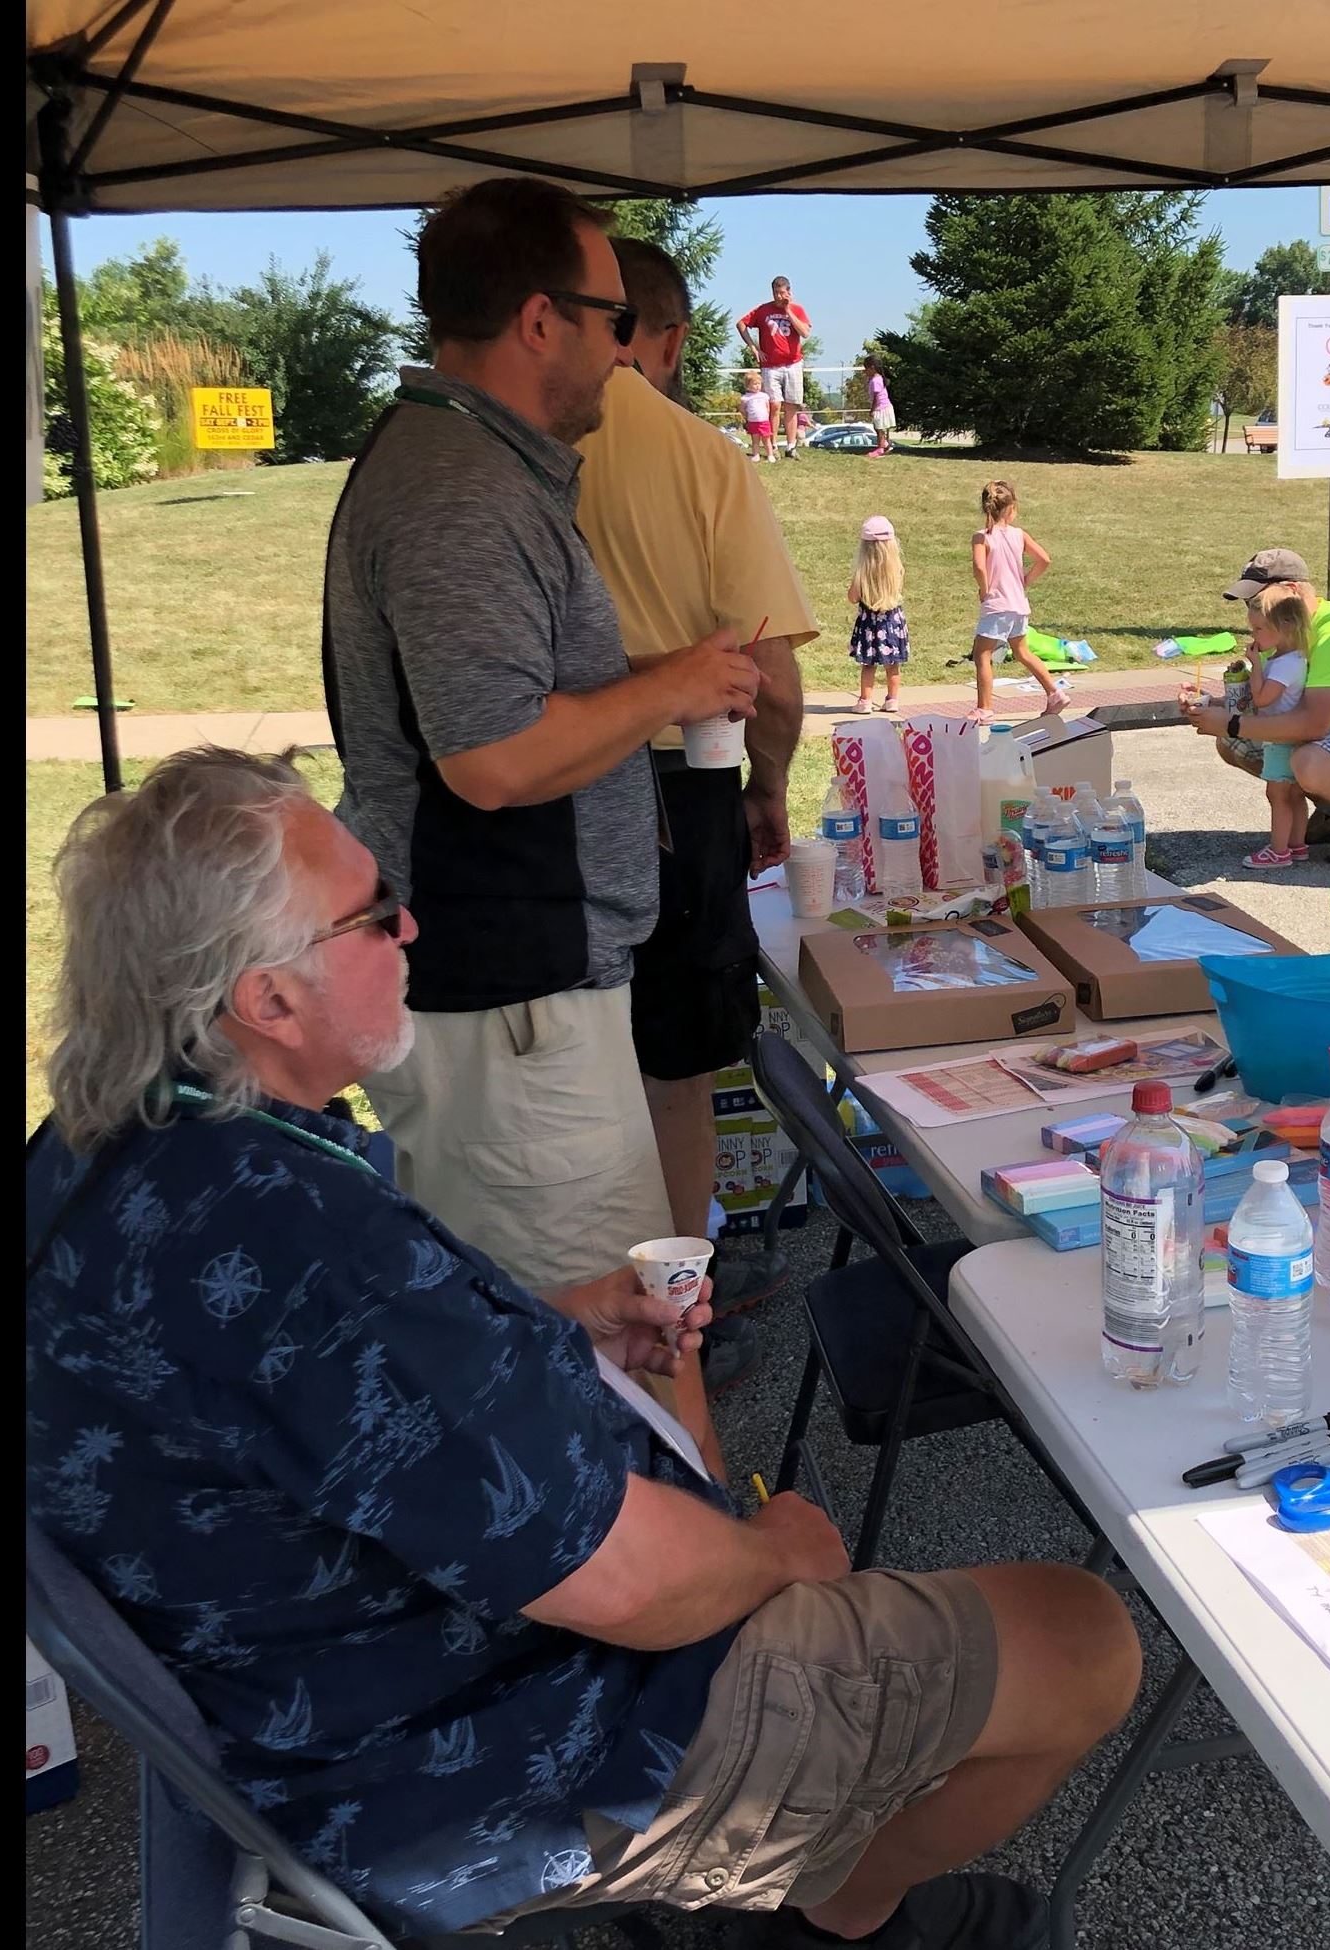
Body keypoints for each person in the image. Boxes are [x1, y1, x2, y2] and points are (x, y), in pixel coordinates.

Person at [27, 748, 1143, 1949]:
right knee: (1078, 1640)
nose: (410, 926)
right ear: (268, 1001)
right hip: (485, 1748)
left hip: (355, 1682)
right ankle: (839, 1917)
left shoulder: (118, 1146)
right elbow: (626, 1587)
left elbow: (313, 1398)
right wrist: (776, 1555)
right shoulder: (292, 1238)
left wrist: (546, 1324)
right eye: (371, 913)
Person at [322, 177, 763, 1312]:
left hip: (520, 990)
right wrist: (674, 684)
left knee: (577, 1320)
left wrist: (656, 680)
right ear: (537, 320)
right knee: (595, 1339)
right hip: (509, 999)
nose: (623, 352)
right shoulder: (460, 492)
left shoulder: (475, 466)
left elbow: (501, 701)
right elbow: (494, 758)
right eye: (614, 321)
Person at [576, 233, 816, 1357]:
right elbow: (769, 672)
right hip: (685, 780)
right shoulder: (697, 454)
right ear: (666, 338)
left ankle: (578, 1300)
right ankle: (675, 1314)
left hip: (538, 788)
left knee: (572, 1061)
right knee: (675, 1068)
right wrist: (770, 785)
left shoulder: (506, 446)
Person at [1178, 551, 1330, 856]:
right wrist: (1210, 705)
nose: (1252, 609)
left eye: (1258, 599)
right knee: (1233, 744)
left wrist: (1232, 723)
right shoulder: (1282, 632)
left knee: (1306, 762)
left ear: (1292, 591)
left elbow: (1313, 724)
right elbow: (1274, 700)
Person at [970, 480, 1064, 718]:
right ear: (1011, 508)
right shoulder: (1019, 535)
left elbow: (979, 567)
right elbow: (1044, 559)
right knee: (1022, 652)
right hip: (1018, 604)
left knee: (982, 654)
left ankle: (984, 708)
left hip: (997, 604)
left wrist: (984, 589)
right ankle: (1055, 692)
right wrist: (1025, 581)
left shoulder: (982, 537)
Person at [1238, 585, 1313, 869]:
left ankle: (1279, 851)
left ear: (1285, 626)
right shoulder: (1291, 658)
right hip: (1292, 737)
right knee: (1294, 794)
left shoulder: (1284, 665)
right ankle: (1297, 845)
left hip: (1280, 739)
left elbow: (1262, 698)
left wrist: (1255, 665)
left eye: (1259, 629)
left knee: (1277, 795)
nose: (1254, 635)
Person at [737, 275, 814, 457]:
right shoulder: (763, 310)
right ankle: (772, 446)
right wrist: (753, 347)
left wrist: (788, 310)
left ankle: (791, 446)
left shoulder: (797, 309)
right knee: (774, 405)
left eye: (782, 292)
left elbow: (805, 333)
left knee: (792, 405)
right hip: (770, 366)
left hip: (793, 363)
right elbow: (741, 324)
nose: (779, 296)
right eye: (776, 293)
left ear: (789, 291)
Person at [849, 514, 910, 712]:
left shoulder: (862, 573)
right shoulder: (896, 570)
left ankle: (865, 701)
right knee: (893, 664)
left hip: (869, 624)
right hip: (892, 622)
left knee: (868, 665)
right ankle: (892, 699)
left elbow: (852, 597)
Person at [865, 354, 898, 458]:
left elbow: (876, 397)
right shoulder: (876, 379)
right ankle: (885, 444)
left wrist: (872, 409)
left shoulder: (876, 380)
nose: (865, 371)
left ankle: (880, 448)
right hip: (881, 407)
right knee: (877, 428)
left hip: (881, 408)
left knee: (879, 429)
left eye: (866, 369)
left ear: (872, 368)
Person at [741, 367, 776, 460]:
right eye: (754, 384)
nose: (757, 386)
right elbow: (742, 409)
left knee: (766, 439)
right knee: (755, 440)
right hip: (753, 422)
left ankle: (770, 455)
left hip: (764, 421)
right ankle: (756, 455)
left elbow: (767, 407)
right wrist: (747, 416)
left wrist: (766, 416)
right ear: (748, 386)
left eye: (759, 384)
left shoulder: (764, 396)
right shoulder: (746, 398)